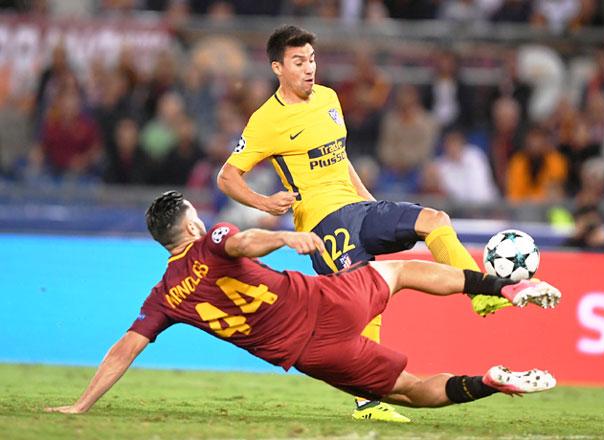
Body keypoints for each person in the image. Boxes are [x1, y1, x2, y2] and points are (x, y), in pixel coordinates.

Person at [217, 24, 511, 422]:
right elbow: (228, 177)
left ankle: (481, 291)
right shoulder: (266, 121)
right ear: (277, 68)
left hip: (359, 208)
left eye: (313, 59)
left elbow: (340, 157)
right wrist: (265, 202)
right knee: (366, 303)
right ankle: (368, 402)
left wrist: (370, 203)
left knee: (435, 219)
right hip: (321, 226)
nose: (309, 68)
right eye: (299, 61)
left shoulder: (328, 98)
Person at [45, 191, 561, 418]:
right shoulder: (212, 239)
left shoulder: (163, 298)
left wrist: (81, 404)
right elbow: (242, 241)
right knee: (401, 269)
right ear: (194, 224)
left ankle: (489, 383)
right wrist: (285, 239)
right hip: (325, 301)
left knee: (405, 392)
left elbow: (124, 348)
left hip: (308, 354)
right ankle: (502, 288)